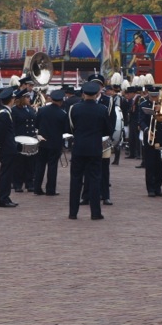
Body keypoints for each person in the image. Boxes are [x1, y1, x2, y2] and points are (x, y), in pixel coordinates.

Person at [68, 81, 112, 220]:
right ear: (98, 94)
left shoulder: (74, 108)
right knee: (94, 180)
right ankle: (95, 212)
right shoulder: (103, 109)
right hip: (95, 148)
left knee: (75, 180)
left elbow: (70, 128)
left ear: (83, 94)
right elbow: (108, 130)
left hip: (79, 147)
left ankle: (73, 212)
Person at [34, 89, 69, 196]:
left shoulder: (42, 110)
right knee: (52, 167)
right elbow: (65, 129)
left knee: (40, 165)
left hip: (43, 142)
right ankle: (50, 189)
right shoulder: (62, 114)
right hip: (55, 143)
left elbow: (36, 125)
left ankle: (37, 188)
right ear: (61, 101)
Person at [0, 88, 19, 208]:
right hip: (7, 148)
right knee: (6, 175)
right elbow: (1, 133)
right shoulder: (4, 114)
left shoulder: (1, 111)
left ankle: (5, 197)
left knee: (7, 174)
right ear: (11, 100)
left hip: (6, 147)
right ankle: (3, 198)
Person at [140, 86, 162, 197]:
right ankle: (150, 188)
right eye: (152, 97)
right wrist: (147, 130)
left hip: (161, 138)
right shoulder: (143, 105)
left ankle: (158, 187)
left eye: (156, 96)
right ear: (149, 95)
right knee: (150, 164)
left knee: (160, 164)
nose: (154, 99)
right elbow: (140, 121)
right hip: (149, 138)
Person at [11, 90, 37, 193]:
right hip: (20, 139)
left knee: (30, 163)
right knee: (19, 164)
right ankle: (18, 184)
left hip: (30, 138)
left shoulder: (30, 109)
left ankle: (29, 184)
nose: (29, 99)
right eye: (26, 97)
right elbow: (13, 126)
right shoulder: (15, 110)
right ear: (21, 99)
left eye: (28, 97)